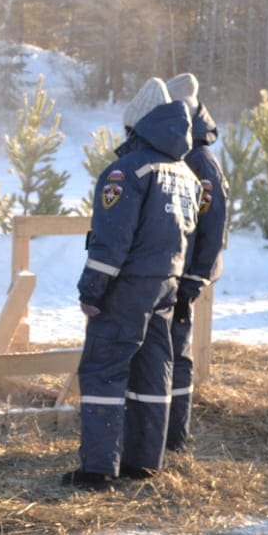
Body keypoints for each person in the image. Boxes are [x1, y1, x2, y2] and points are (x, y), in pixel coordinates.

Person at [63, 78, 201, 491]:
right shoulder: (185, 173)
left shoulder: (128, 170)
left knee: (104, 368)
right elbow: (188, 232)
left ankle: (99, 468)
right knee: (152, 367)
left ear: (136, 125)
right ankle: (144, 461)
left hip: (127, 287)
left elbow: (112, 239)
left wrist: (92, 290)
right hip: (165, 284)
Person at [163, 72, 229, 454]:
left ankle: (175, 435)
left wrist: (193, 280)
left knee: (177, 354)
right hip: (169, 272)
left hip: (184, 276)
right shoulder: (181, 153)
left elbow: (211, 227)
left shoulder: (201, 162)